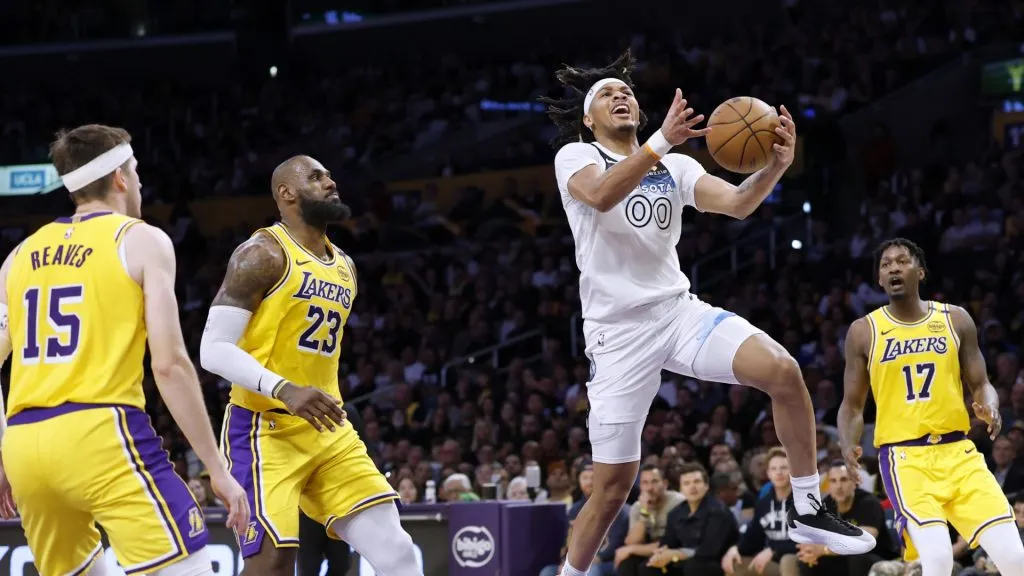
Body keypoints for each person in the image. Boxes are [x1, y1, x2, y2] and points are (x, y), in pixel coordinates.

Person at [540, 49, 873, 576]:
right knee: (610, 489)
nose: (619, 95)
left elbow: (739, 203)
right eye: (605, 94)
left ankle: (809, 508)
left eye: (624, 90)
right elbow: (601, 196)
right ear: (588, 118)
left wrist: (775, 167)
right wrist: (661, 141)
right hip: (617, 336)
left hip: (676, 313)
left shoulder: (674, 165)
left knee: (784, 372)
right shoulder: (575, 158)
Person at [0, 124, 249, 575]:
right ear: (118, 177)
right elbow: (170, 365)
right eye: (135, 172)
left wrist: (4, 452)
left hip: (24, 445)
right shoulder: (140, 239)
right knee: (186, 566)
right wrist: (216, 467)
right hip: (100, 432)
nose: (139, 181)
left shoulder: (17, 257)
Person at [199, 155, 419, 576]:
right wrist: (284, 389)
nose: (331, 182)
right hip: (265, 429)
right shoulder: (261, 253)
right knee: (275, 563)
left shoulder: (346, 266)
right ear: (287, 193)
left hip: (329, 430)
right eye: (317, 177)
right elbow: (213, 349)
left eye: (330, 176)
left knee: (398, 553)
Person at [838, 238, 1024, 576]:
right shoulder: (864, 331)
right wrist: (847, 443)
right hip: (906, 458)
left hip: (959, 452)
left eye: (902, 261)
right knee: (937, 561)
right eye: (885, 264)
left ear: (920, 272)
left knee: (1015, 558)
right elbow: (852, 404)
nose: (893, 267)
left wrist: (991, 406)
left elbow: (981, 384)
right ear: (880, 279)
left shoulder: (955, 319)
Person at [796, 461, 898, 576]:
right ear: (829, 486)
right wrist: (810, 550)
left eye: (844, 479)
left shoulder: (869, 503)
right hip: (842, 559)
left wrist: (824, 550)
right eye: (833, 481)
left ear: (855, 482)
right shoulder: (826, 505)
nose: (839, 486)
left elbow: (863, 541)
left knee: (857, 557)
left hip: (878, 559)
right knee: (808, 560)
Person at [645, 463, 739, 576]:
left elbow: (709, 551)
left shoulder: (718, 511)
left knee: (694, 567)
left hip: (717, 562)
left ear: (706, 485)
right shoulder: (675, 513)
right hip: (686, 561)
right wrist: (661, 552)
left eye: (697, 482)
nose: (692, 487)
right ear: (681, 489)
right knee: (649, 567)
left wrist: (674, 554)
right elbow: (667, 543)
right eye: (686, 483)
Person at [722, 448, 799, 576]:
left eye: (784, 468)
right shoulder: (763, 503)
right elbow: (753, 536)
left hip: (799, 560)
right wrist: (736, 549)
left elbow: (808, 540)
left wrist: (775, 550)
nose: (779, 472)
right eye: (774, 469)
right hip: (773, 562)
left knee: (787, 561)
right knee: (735, 564)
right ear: (768, 473)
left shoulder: (804, 501)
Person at [614, 464, 684, 571]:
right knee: (626, 564)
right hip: (649, 551)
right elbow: (633, 542)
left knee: (647, 567)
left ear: (665, 484)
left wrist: (631, 549)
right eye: (645, 483)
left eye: (654, 482)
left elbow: (674, 543)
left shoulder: (678, 503)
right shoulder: (638, 507)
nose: (650, 488)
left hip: (673, 551)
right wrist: (644, 512)